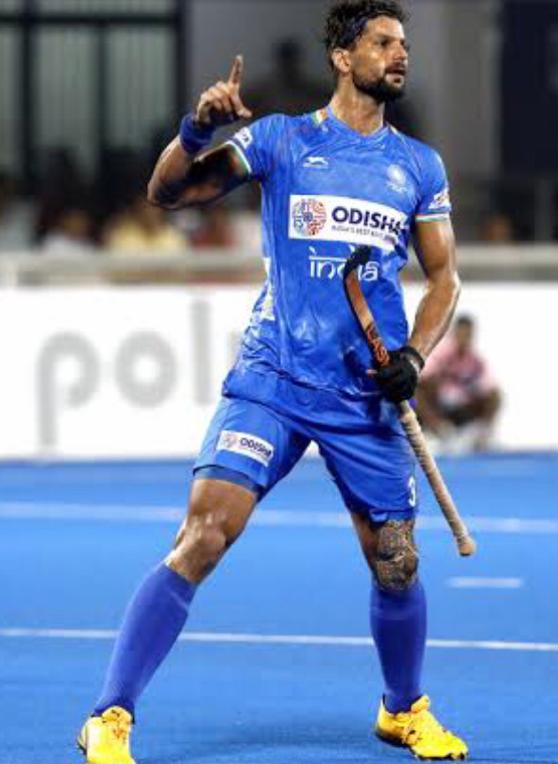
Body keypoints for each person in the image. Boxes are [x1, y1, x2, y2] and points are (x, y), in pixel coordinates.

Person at [76, 2, 468, 762]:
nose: (400, 54)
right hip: (274, 378)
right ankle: (110, 716)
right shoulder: (283, 139)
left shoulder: (419, 166)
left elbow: (444, 278)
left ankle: (402, 709)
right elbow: (169, 192)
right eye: (383, 42)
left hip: (364, 395)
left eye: (404, 43)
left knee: (396, 560)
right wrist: (197, 131)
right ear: (342, 56)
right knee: (203, 536)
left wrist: (416, 356)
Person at [416, 315, 501, 453]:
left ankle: (480, 437)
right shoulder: (439, 354)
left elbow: (489, 387)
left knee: (495, 396)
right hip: (437, 406)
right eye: (461, 334)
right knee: (416, 390)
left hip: (460, 408)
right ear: (454, 333)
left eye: (468, 335)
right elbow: (423, 378)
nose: (464, 338)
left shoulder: (476, 361)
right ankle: (437, 429)